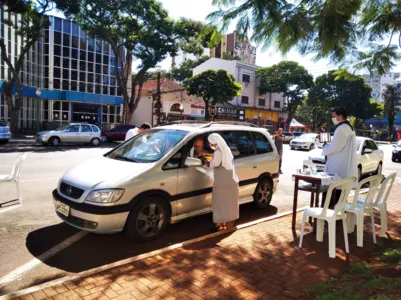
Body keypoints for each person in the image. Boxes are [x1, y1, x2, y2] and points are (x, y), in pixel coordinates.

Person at [322, 107, 358, 207]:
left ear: (340, 116)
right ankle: (338, 217)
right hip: (342, 163)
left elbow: (335, 147)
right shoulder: (348, 127)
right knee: (339, 194)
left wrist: (325, 147)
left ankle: (328, 217)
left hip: (338, 165)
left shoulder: (342, 129)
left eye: (334, 116)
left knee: (332, 192)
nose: (332, 118)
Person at [205, 133, 239, 232]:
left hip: (221, 183)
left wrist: (207, 162)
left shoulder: (218, 151)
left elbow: (215, 163)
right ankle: (226, 227)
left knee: (219, 204)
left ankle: (218, 227)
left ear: (214, 142)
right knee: (227, 205)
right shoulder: (225, 149)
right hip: (231, 181)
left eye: (211, 143)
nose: (210, 145)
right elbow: (220, 158)